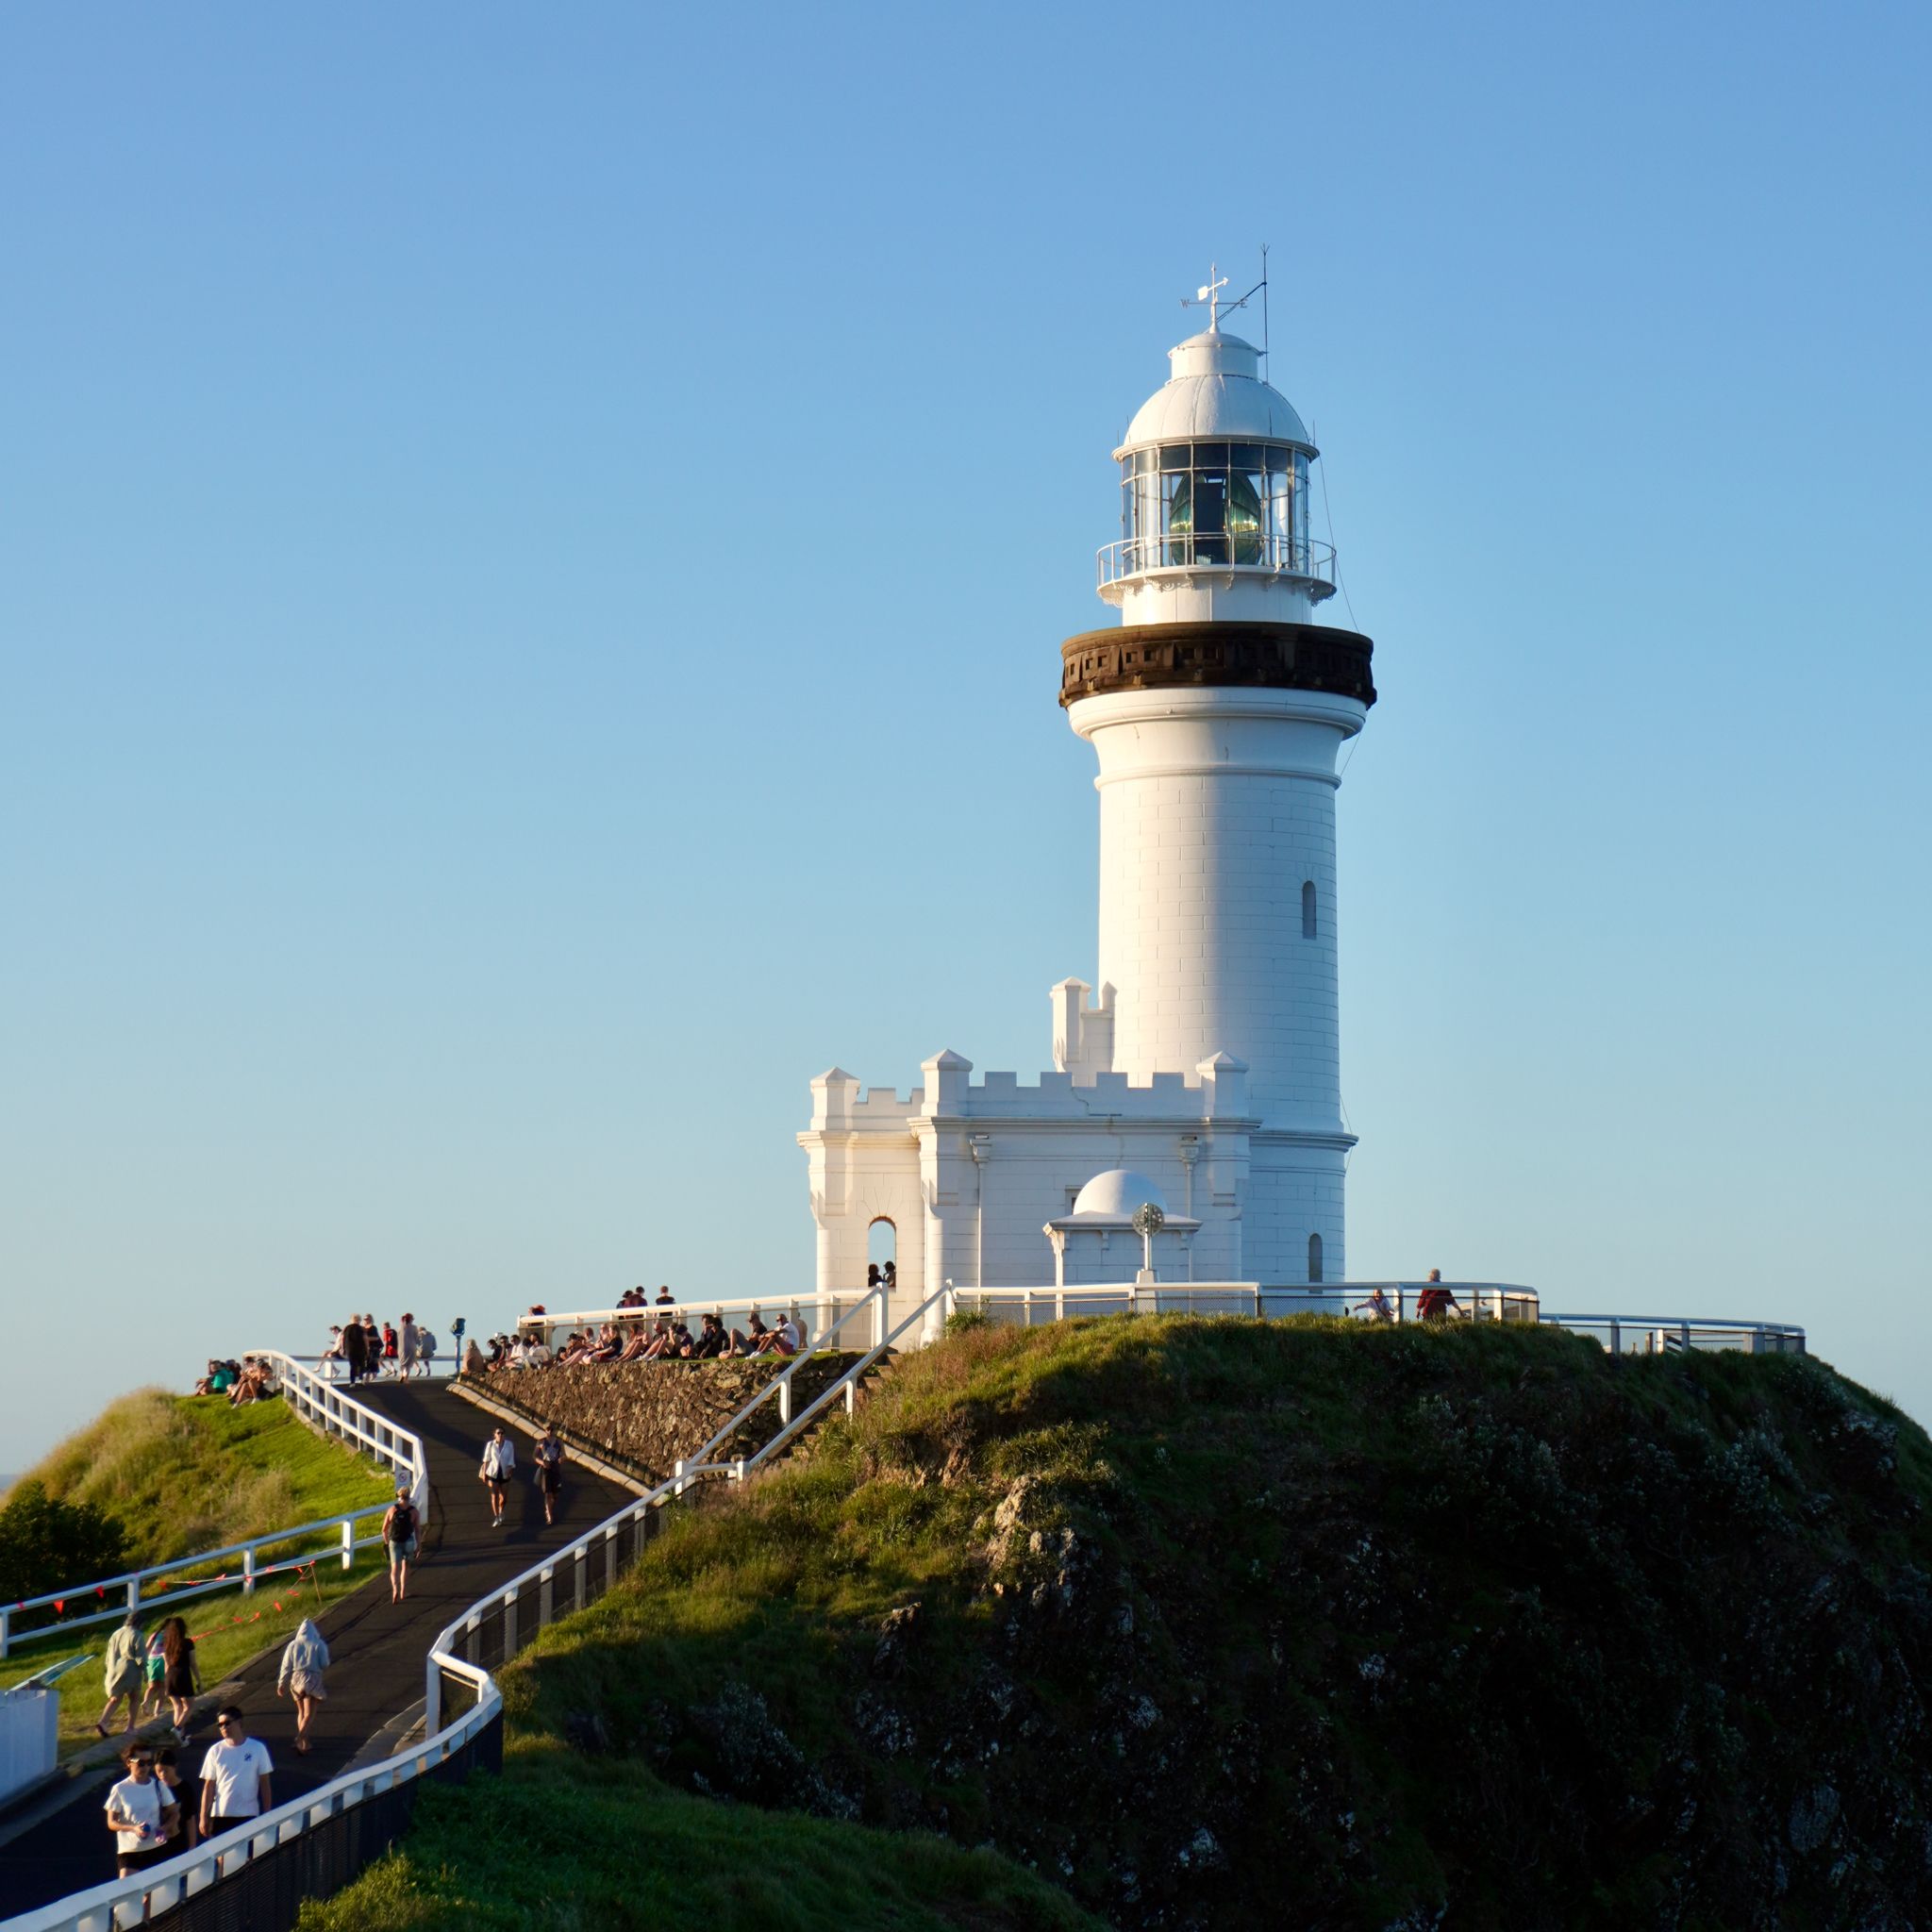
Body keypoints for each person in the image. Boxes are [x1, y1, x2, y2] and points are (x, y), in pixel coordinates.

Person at [104, 1742, 178, 1877]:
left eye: (149, 1762)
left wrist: (164, 1828)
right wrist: (133, 1828)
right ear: (129, 1763)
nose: (145, 1767)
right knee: (127, 1893)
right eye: (140, 1763)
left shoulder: (158, 1786)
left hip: (156, 1848)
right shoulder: (120, 1789)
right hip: (129, 1851)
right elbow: (111, 1822)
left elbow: (174, 1812)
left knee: (154, 1896)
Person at [198, 1707, 273, 1840]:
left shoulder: (257, 1748)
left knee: (248, 1856)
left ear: (239, 1722)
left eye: (227, 1723)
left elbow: (265, 1783)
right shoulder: (215, 1751)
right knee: (223, 1857)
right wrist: (203, 1817)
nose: (223, 1727)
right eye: (220, 1725)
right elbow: (209, 1786)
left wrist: (267, 1813)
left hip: (248, 1813)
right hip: (221, 1814)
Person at [276, 1617, 329, 1755]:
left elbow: (286, 1665)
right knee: (309, 1714)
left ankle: (304, 1744)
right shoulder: (319, 1644)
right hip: (313, 1679)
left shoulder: (293, 1645)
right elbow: (324, 1664)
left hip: (296, 1680)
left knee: (301, 1712)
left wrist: (282, 1683)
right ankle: (300, 1737)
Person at [95, 1610, 145, 1738]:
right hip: (131, 1669)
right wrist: (145, 1672)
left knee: (115, 1698)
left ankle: (103, 1722)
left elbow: (109, 1654)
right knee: (134, 1698)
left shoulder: (116, 1633)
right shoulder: (137, 1634)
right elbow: (141, 1657)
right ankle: (130, 1727)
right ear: (139, 1623)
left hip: (114, 1668)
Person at [160, 1614, 201, 1729]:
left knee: (177, 1707)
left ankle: (180, 1736)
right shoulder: (187, 1643)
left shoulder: (166, 1645)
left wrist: (165, 1682)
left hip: (170, 1677)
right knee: (189, 1706)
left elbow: (166, 1665)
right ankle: (177, 1729)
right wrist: (198, 1680)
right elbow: (193, 1663)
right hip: (183, 1675)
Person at [383, 1483, 420, 1602]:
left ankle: (395, 1589)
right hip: (408, 1541)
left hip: (394, 1541)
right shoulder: (414, 1512)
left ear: (399, 1496)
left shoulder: (392, 1509)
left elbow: (384, 1529)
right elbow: (417, 1530)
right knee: (406, 1567)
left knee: (394, 1568)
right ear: (409, 1496)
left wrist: (387, 1543)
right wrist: (418, 1545)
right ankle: (403, 1591)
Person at [480, 1427, 516, 1527]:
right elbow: (486, 1459)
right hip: (493, 1473)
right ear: (494, 1435)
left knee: (504, 1498)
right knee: (494, 1495)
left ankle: (501, 1511)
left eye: (502, 1433)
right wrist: (484, 1473)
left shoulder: (509, 1444)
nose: (500, 1435)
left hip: (505, 1473)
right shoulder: (491, 1445)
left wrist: (510, 1469)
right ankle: (496, 1517)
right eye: (498, 1433)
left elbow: (511, 1458)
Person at [532, 1425, 565, 1526]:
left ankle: (550, 1508)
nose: (550, 1431)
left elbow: (564, 1454)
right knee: (547, 1493)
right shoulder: (541, 1442)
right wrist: (542, 1462)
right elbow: (534, 1456)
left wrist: (562, 1458)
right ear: (545, 1430)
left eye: (552, 1429)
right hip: (546, 1467)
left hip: (556, 1467)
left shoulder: (559, 1442)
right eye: (548, 1430)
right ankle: (549, 1515)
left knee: (555, 1495)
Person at [342, 1315, 369, 1387]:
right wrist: (367, 1349)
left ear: (351, 1320)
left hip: (350, 1349)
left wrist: (343, 1349)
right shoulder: (362, 1328)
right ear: (359, 1320)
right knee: (361, 1365)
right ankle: (361, 1379)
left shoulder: (347, 1328)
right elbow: (365, 1339)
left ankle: (352, 1382)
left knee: (352, 1366)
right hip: (360, 1349)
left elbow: (343, 1339)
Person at [398, 1313, 420, 1377]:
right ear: (410, 1319)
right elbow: (416, 1339)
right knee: (408, 1365)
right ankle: (406, 1378)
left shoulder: (400, 1328)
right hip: (411, 1347)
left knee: (403, 1364)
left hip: (402, 1348)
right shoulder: (414, 1327)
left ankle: (402, 1376)